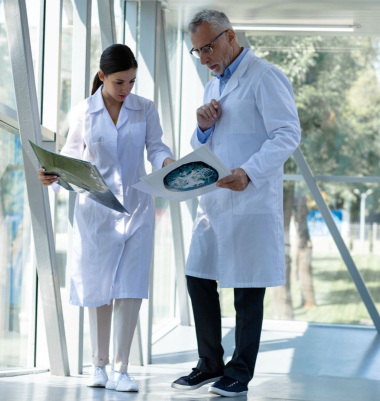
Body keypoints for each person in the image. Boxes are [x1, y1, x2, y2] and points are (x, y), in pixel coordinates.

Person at [171, 10, 301, 397]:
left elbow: (287, 133)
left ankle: (239, 373)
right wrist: (202, 128)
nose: (204, 58)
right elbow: (207, 143)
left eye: (208, 48)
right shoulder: (213, 86)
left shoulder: (265, 76)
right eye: (197, 51)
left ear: (229, 36)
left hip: (250, 199)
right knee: (198, 277)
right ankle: (209, 363)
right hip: (214, 202)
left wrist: (249, 172)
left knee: (247, 290)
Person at [38, 44, 175, 392]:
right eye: (119, 82)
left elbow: (156, 147)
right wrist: (52, 174)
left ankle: (122, 369)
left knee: (130, 289)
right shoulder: (84, 111)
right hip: (96, 211)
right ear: (102, 76)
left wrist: (166, 162)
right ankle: (98, 365)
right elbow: (70, 156)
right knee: (99, 289)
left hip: (137, 209)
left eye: (131, 81)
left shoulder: (145, 109)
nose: (126, 89)